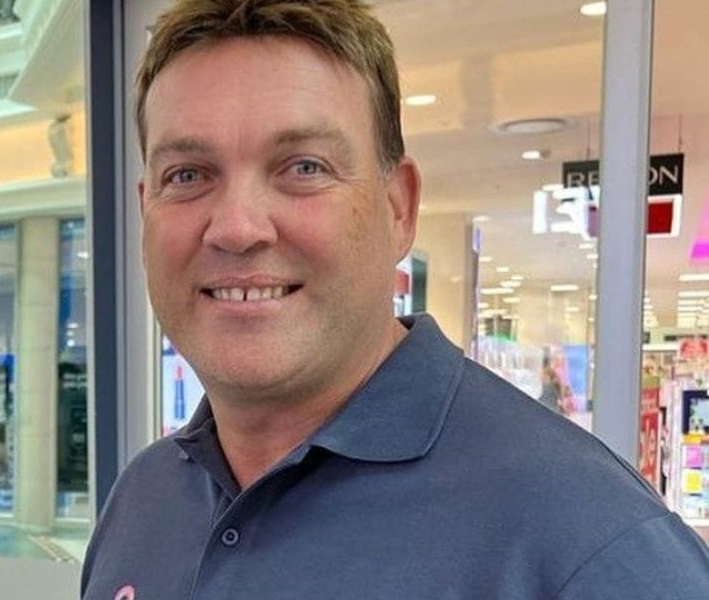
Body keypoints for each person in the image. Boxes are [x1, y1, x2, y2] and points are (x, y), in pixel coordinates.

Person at [80, 1, 709, 598]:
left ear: (398, 207)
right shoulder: (143, 499)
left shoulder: (590, 543)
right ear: (145, 210)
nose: (238, 228)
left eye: (303, 167)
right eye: (187, 175)